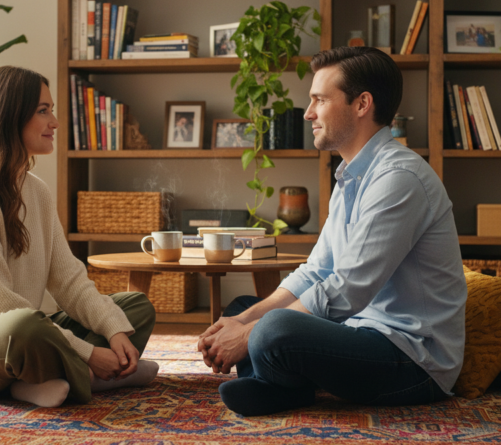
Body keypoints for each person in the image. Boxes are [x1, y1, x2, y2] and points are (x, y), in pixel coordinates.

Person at [197, 47, 467, 416]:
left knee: (273, 330)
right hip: (359, 331)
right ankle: (281, 384)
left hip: (412, 360)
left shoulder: (399, 178)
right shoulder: (351, 176)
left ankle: (279, 382)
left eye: (319, 100)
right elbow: (317, 270)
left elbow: (348, 288)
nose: (309, 113)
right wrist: (243, 321)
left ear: (362, 104)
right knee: (244, 307)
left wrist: (249, 334)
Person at [0, 66, 158, 409]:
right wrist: (88, 352)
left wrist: (114, 331)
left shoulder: (35, 190)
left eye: (51, 110)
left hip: (21, 330)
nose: (54, 122)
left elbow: (68, 278)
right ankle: (88, 379)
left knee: (134, 308)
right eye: (43, 111)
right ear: (7, 117)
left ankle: (33, 383)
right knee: (24, 327)